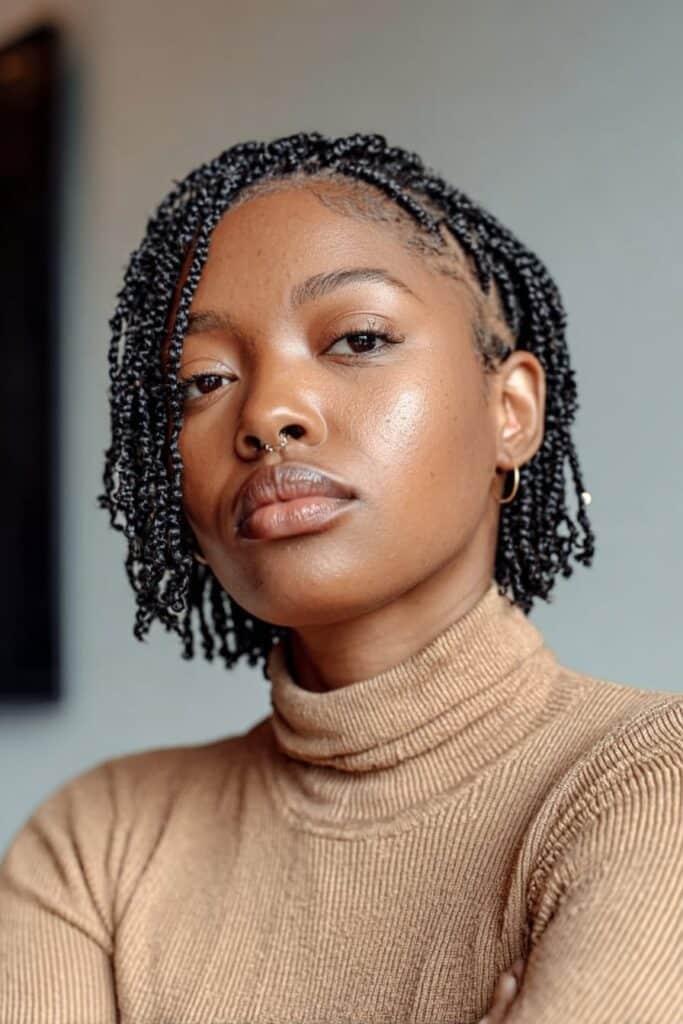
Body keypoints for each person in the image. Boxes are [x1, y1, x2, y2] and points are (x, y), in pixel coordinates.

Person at [1, 130, 681, 1024]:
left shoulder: (645, 784)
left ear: (509, 411)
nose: (268, 414)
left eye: (357, 338)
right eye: (201, 380)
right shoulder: (100, 840)